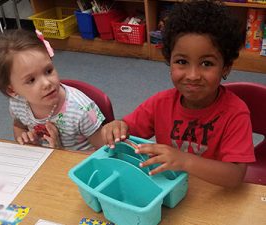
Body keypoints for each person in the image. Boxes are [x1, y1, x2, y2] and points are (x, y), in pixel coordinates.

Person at [101, 0, 255, 188]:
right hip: (168, 189)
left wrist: (185, 161)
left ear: (226, 68)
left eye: (207, 63)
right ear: (169, 61)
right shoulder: (160, 103)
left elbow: (235, 176)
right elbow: (127, 131)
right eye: (182, 61)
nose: (192, 75)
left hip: (211, 193)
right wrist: (117, 127)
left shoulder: (235, 113)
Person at [0, 29, 105, 151]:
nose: (46, 83)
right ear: (13, 91)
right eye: (31, 80)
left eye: (48, 71)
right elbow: (19, 126)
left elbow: (104, 150)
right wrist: (25, 140)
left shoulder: (80, 110)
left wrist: (57, 152)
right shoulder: (17, 104)